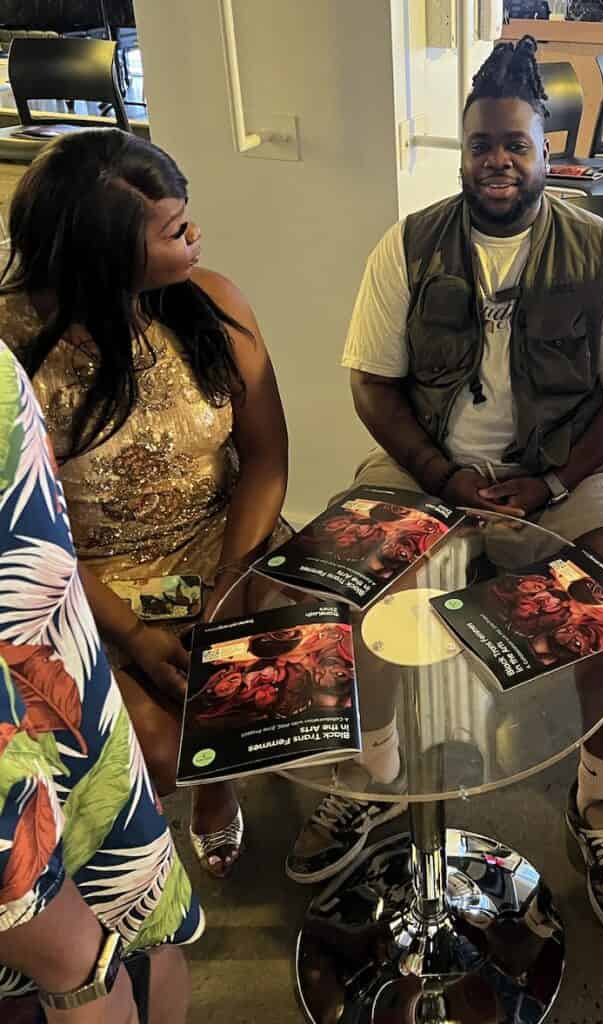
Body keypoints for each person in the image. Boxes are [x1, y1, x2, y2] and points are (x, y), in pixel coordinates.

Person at [287, 36, 603, 940]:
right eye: (481, 145)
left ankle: (598, 804)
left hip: (568, 469)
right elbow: (371, 382)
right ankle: (375, 780)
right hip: (430, 466)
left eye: (516, 144)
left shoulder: (598, 247)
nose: (497, 161)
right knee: (343, 589)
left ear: (547, 151)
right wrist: (441, 474)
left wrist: (557, 480)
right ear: (465, 151)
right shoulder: (410, 244)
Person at [0, 129, 289, 878]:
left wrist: (229, 580)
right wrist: (128, 630)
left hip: (224, 540)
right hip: (82, 576)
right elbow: (22, 532)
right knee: (159, 747)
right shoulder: (12, 356)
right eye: (174, 229)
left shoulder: (210, 301)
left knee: (291, 669)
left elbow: (264, 460)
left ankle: (218, 797)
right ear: (102, 255)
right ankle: (146, 843)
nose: (198, 236)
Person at [0, 340, 203, 1022]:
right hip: (17, 776)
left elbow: (36, 527)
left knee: (149, 940)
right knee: (86, 974)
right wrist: (51, 936)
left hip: (64, 683)